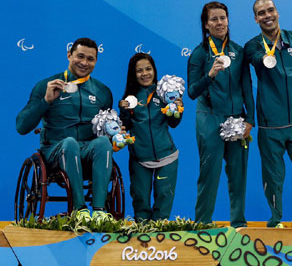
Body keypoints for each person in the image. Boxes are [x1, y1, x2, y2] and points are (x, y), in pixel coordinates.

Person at [16, 37, 113, 221]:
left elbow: (106, 128)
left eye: (90, 59)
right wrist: (46, 101)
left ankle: (99, 210)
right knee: (69, 143)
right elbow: (21, 127)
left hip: (87, 151)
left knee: (102, 142)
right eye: (80, 56)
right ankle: (80, 209)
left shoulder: (103, 92)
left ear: (96, 61)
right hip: (54, 151)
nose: (84, 63)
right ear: (69, 55)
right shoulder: (48, 85)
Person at [244, 0, 292, 228]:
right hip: (270, 127)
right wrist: (270, 54)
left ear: (277, 12)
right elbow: (258, 60)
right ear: (255, 19)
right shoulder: (253, 46)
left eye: (270, 10)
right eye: (261, 13)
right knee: (273, 178)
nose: (267, 16)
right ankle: (275, 220)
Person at [188, 1, 255, 228]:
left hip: (237, 119)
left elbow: (247, 87)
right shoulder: (199, 54)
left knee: (238, 175)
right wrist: (210, 74)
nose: (219, 23)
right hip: (209, 118)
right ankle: (203, 223)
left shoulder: (239, 51)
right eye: (214, 19)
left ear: (228, 20)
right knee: (210, 174)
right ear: (206, 25)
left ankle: (238, 223)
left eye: (223, 18)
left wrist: (250, 120)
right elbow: (191, 91)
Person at [119, 53, 182, 221]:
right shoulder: (130, 98)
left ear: (154, 70)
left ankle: (159, 239)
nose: (145, 73)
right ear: (133, 74)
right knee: (140, 201)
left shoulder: (165, 93)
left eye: (148, 69)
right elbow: (126, 126)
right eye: (139, 70)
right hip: (140, 158)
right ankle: (141, 239)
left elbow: (173, 123)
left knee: (163, 199)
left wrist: (177, 109)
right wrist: (124, 111)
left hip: (167, 155)